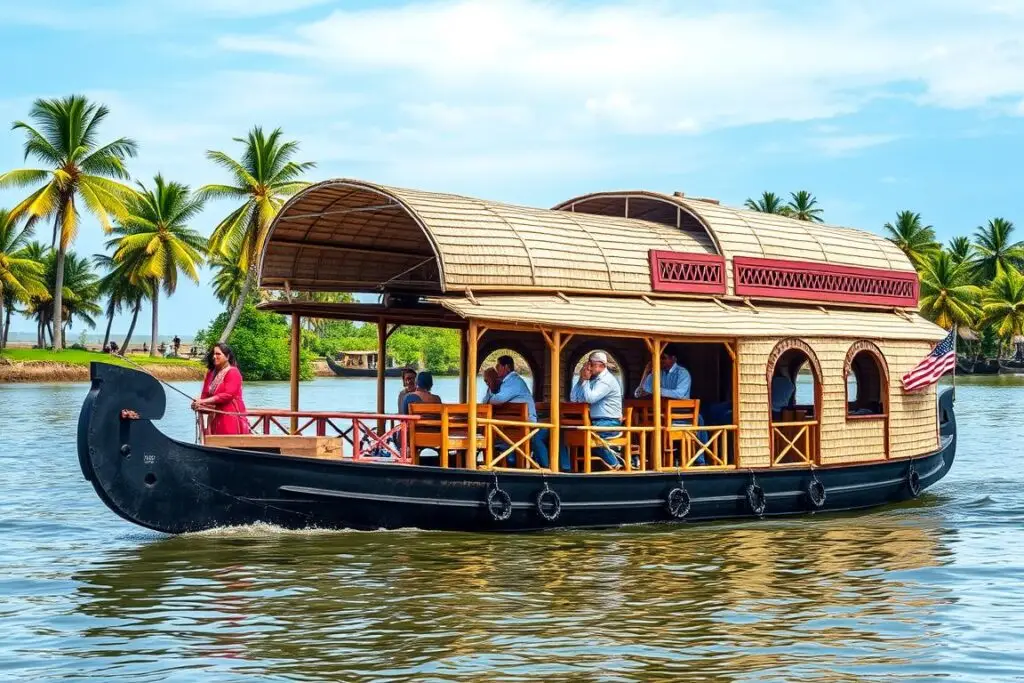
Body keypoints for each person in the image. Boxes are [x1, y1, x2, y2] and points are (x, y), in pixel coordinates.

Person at [484, 355, 556, 469]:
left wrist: (492, 387)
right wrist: (491, 386)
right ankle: (498, 464)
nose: (496, 369)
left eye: (498, 366)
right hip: (512, 424)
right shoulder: (502, 384)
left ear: (506, 367)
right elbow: (485, 403)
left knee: (491, 433)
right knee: (489, 433)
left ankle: (543, 467)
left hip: (526, 423)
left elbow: (498, 400)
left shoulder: (514, 381)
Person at [569, 351, 623, 469]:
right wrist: (581, 380)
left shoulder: (607, 380)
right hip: (596, 422)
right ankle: (571, 467)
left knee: (588, 436)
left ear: (601, 365)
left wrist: (586, 381)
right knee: (570, 434)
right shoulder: (593, 379)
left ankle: (615, 463)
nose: (588, 367)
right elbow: (574, 398)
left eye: (590, 364)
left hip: (609, 423)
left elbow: (590, 398)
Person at [192, 342, 249, 435]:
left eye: (218, 354)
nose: (214, 356)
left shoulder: (233, 372)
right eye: (213, 354)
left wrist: (203, 402)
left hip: (232, 419)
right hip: (215, 420)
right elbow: (204, 396)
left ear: (228, 357)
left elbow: (228, 395)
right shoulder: (210, 374)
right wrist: (198, 404)